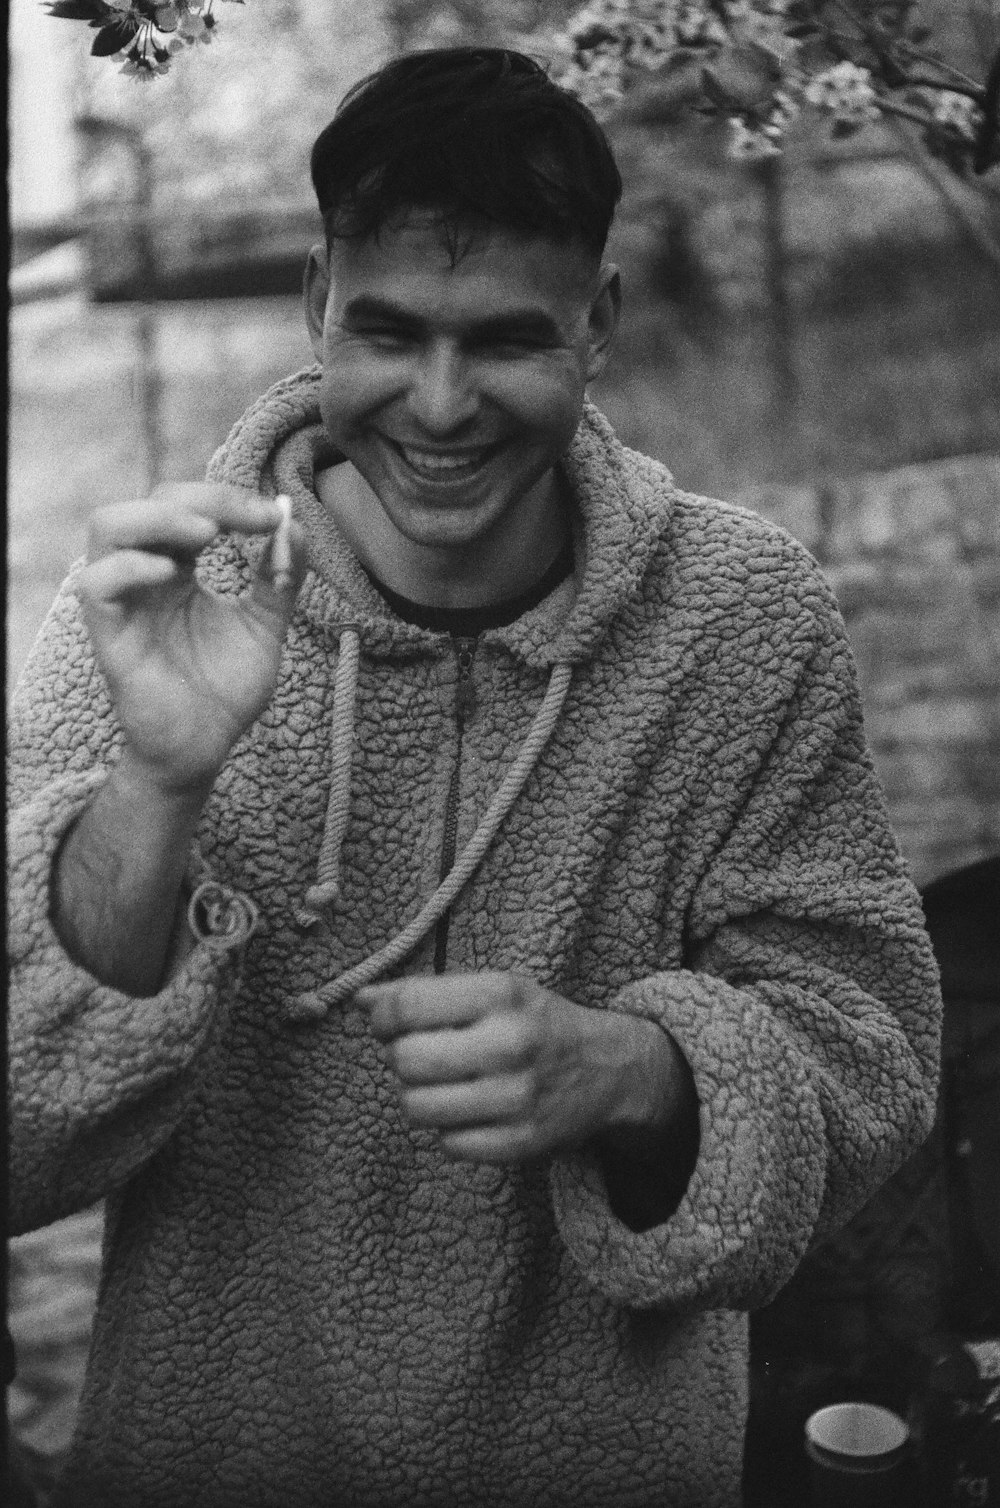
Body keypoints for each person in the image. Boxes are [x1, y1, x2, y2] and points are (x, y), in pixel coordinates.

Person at [7, 46, 943, 1508]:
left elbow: (869, 1055)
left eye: (506, 339)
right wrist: (160, 781)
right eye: (389, 331)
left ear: (601, 323)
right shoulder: (152, 609)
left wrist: (637, 1072)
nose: (441, 405)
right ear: (318, 301)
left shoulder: (744, 618)